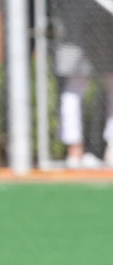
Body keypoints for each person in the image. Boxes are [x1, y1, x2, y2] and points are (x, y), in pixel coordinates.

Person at [52, 0, 113, 168]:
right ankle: (74, 150)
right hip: (77, 19)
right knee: (74, 86)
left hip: (105, 21)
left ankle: (109, 150)